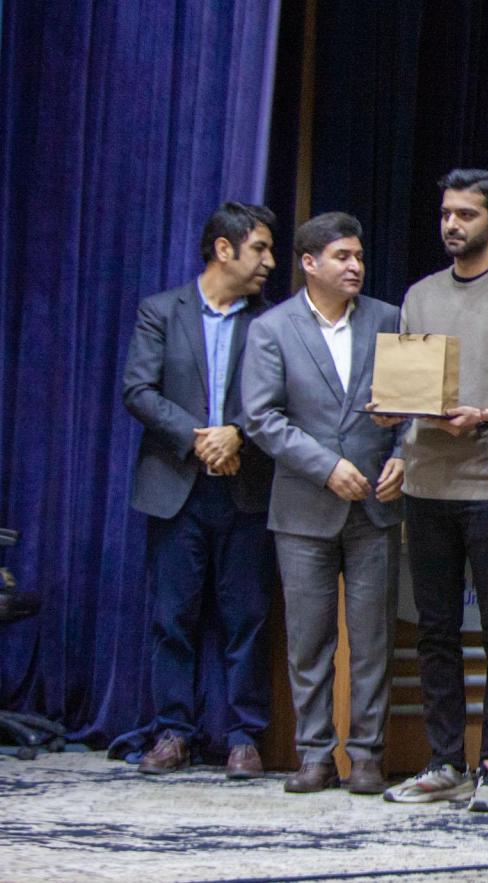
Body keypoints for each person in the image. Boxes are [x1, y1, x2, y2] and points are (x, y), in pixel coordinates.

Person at [382, 169, 488, 812]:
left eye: (466, 215)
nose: (452, 224)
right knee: (435, 631)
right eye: (447, 213)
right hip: (427, 482)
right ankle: (444, 759)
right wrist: (393, 417)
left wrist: (486, 416)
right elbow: (409, 387)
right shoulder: (419, 294)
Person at [241, 212, 406, 795]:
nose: (355, 265)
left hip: (376, 505)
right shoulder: (272, 329)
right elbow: (261, 417)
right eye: (342, 256)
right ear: (309, 263)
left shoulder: (390, 319)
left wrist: (405, 455)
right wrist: (326, 467)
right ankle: (314, 755)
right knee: (309, 642)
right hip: (303, 509)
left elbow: (415, 406)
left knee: (373, 641)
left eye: (359, 256)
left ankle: (367, 757)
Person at [121, 202, 277, 777]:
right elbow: (139, 390)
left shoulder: (271, 322)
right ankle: (173, 732)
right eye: (259, 248)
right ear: (223, 249)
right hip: (176, 489)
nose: (269, 261)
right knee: (173, 618)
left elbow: (280, 399)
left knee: (247, 617)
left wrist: (237, 433)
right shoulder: (162, 311)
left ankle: (243, 736)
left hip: (246, 489)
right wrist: (199, 440)